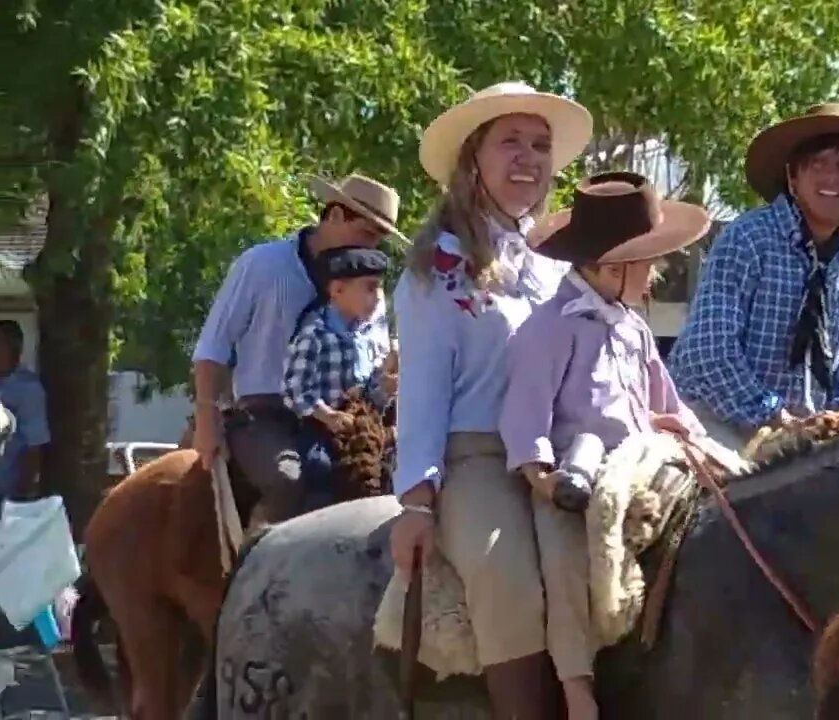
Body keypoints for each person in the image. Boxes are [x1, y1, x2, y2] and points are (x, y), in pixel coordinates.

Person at [387, 81, 593, 718]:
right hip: (475, 456)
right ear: (472, 159)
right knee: (508, 581)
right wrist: (417, 502)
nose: (528, 157)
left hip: (560, 451)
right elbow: (421, 388)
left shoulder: (560, 265)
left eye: (539, 145)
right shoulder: (437, 271)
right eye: (510, 143)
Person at [498, 172, 709, 718]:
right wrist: (540, 476)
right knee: (565, 556)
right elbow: (526, 412)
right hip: (580, 473)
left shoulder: (633, 328)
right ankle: (576, 686)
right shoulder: (548, 329)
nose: (656, 274)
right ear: (612, 267)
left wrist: (686, 430)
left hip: (644, 462)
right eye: (648, 263)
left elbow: (667, 399)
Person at [668, 103, 839, 451]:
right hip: (720, 421)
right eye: (818, 163)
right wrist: (778, 418)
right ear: (793, 176)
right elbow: (709, 354)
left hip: (807, 440)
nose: (831, 178)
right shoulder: (748, 238)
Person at [191, 173, 404, 523]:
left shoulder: (371, 292)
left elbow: (374, 362)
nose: (371, 248)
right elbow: (214, 343)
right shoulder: (262, 265)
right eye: (366, 233)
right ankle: (256, 567)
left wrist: (387, 383)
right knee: (288, 482)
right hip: (266, 413)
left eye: (379, 240)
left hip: (345, 416)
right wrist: (206, 414)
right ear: (335, 216)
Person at [281, 246, 395, 512]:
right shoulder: (315, 334)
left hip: (363, 428)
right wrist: (329, 416)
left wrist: (385, 389)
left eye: (380, 289)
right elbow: (295, 388)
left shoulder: (369, 337)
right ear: (337, 290)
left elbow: (368, 393)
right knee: (319, 469)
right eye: (369, 288)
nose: (377, 298)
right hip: (323, 428)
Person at [0, 320, 48, 502]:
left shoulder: (27, 389)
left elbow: (34, 446)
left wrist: (24, 492)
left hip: (6, 494)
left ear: (13, 348)